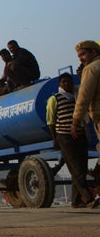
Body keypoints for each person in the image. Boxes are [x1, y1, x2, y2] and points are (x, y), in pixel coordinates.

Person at [47, 72, 98, 208]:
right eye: (64, 82)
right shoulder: (54, 98)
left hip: (80, 135)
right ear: (60, 84)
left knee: (82, 166)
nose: (67, 84)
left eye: (69, 81)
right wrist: (54, 138)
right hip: (64, 136)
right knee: (76, 168)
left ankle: (75, 201)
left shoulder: (77, 98)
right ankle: (88, 198)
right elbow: (51, 121)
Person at [72, 40, 100, 176]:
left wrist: (76, 121)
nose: (81, 59)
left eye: (83, 54)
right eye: (79, 56)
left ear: (93, 52)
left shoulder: (91, 69)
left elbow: (83, 97)